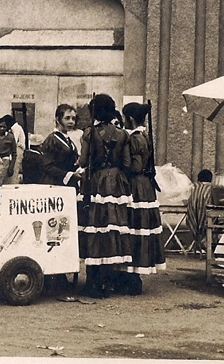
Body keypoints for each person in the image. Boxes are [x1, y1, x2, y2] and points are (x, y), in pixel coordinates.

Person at [78, 94, 132, 299]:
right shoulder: (122, 134)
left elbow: (83, 161)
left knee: (94, 228)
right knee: (112, 229)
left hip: (96, 182)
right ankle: (109, 280)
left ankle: (94, 282)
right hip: (117, 184)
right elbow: (126, 164)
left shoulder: (90, 133)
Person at [117, 102, 165, 295]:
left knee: (134, 228)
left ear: (128, 119)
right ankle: (132, 276)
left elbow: (135, 166)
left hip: (136, 186)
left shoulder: (135, 138)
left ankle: (131, 277)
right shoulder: (145, 135)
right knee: (140, 229)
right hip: (146, 186)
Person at [28, 104, 81, 187]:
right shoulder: (52, 140)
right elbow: (47, 166)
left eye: (73, 119)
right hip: (54, 183)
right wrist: (69, 175)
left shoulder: (68, 140)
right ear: (57, 119)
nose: (71, 122)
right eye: (67, 118)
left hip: (67, 183)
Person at [0, 115, 18, 184]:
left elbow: (14, 154)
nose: (2, 129)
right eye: (0, 126)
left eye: (4, 127)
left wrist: (11, 167)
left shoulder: (11, 137)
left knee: (2, 181)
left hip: (5, 161)